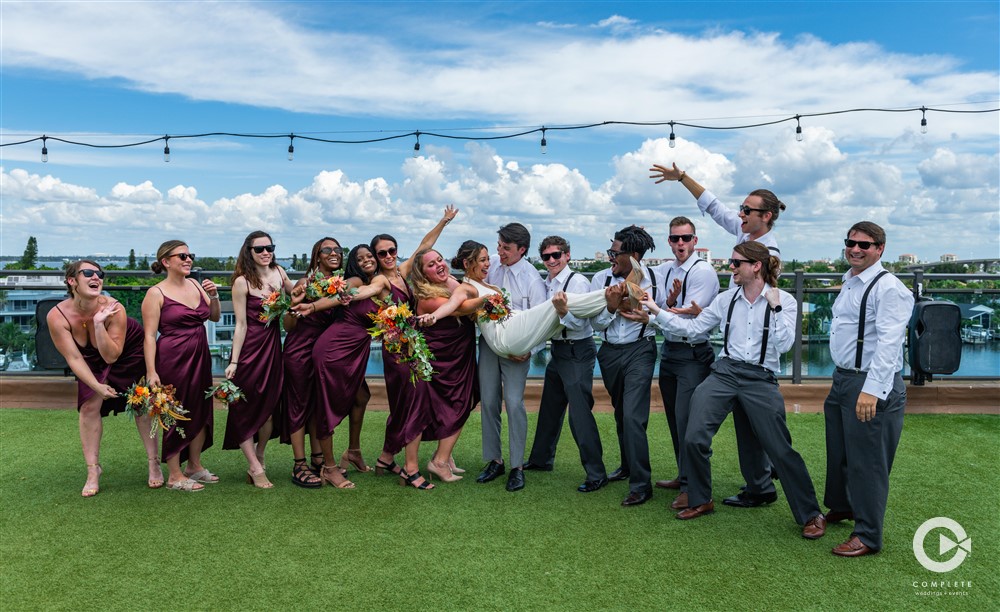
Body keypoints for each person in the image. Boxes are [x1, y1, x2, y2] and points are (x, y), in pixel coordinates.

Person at [638, 242, 827, 541]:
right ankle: (701, 499)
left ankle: (810, 514)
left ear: (756, 266)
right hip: (724, 372)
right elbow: (694, 328)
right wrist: (655, 311)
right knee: (694, 434)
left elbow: (784, 346)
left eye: (737, 263)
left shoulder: (784, 301)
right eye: (731, 262)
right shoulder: (726, 300)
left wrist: (775, 307)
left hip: (760, 377)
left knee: (779, 448)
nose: (731, 268)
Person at [649, 162, 785, 506]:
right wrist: (682, 179)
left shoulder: (767, 255)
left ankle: (765, 475)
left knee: (754, 427)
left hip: (752, 362)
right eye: (741, 209)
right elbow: (714, 206)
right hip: (732, 355)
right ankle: (759, 481)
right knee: (747, 426)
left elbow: (761, 308)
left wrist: (705, 314)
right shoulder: (746, 237)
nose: (739, 213)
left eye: (747, 210)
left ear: (766, 216)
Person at [823, 222, 913, 557]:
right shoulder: (851, 281)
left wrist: (871, 390)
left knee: (868, 462)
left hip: (868, 382)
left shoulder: (888, 288)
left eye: (865, 245)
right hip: (843, 378)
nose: (855, 249)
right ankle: (844, 506)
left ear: (880, 249)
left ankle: (868, 536)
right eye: (851, 242)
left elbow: (890, 344)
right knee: (841, 452)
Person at [47, 260, 161, 497]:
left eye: (100, 273)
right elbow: (74, 359)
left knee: (139, 402)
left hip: (126, 352)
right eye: (88, 273)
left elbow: (111, 356)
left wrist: (99, 324)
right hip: (88, 359)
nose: (96, 277)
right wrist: (96, 386)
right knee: (89, 406)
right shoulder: (56, 316)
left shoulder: (114, 308)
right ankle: (92, 470)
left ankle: (153, 462)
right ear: (72, 281)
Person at [370, 205, 460, 480]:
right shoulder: (380, 280)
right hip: (396, 350)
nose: (388, 256)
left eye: (392, 251)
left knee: (404, 404)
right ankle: (410, 468)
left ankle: (386, 458)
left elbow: (424, 245)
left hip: (411, 346)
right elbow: (367, 291)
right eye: (382, 253)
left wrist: (443, 221)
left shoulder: (401, 272)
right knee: (413, 400)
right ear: (375, 257)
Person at [523, 236, 608, 493]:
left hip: (577, 352)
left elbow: (583, 325)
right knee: (549, 407)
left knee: (579, 414)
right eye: (546, 257)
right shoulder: (546, 283)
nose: (551, 261)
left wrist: (563, 312)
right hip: (558, 351)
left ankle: (597, 473)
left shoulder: (578, 282)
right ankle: (541, 459)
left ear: (567, 255)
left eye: (556, 255)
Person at [647, 218, 719, 510]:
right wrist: (667, 305)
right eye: (675, 238)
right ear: (669, 241)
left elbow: (689, 321)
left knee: (689, 423)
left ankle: (694, 488)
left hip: (692, 354)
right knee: (675, 421)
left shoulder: (703, 272)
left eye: (685, 238)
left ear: (694, 240)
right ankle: (684, 475)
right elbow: (668, 309)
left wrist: (661, 310)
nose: (680, 243)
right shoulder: (668, 269)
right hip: (672, 353)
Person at [591, 225, 665, 507]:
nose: (610, 256)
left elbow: (664, 317)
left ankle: (641, 485)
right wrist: (610, 307)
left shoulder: (654, 279)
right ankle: (627, 466)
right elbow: (595, 324)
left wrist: (648, 316)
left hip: (640, 350)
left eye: (615, 252)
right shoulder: (601, 278)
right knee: (622, 412)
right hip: (609, 352)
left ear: (633, 255)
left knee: (634, 416)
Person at [300, 245, 384, 489]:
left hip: (355, 350)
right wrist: (312, 306)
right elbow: (338, 297)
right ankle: (329, 467)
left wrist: (443, 223)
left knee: (362, 397)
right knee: (327, 404)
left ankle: (354, 451)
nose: (367, 260)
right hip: (335, 349)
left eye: (370, 255)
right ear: (354, 264)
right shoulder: (356, 280)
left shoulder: (376, 282)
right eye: (360, 258)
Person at [142, 240, 221, 492]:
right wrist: (151, 371)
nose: (189, 260)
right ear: (166, 262)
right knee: (173, 412)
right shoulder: (155, 293)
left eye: (191, 255)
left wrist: (214, 296)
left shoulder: (196, 284)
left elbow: (215, 316)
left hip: (200, 354)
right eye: (182, 256)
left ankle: (194, 466)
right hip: (172, 357)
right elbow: (149, 336)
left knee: (200, 407)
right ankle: (174, 475)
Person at [475, 223, 546, 492]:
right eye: (499, 245)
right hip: (489, 344)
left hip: (518, 351)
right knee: (489, 400)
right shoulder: (491, 264)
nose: (499, 251)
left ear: (521, 250)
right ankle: (495, 460)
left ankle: (517, 466)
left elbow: (542, 321)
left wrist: (531, 350)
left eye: (506, 248)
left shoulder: (532, 279)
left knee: (514, 403)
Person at [223, 231, 294, 489]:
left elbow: (298, 294)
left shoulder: (279, 272)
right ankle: (254, 466)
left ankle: (260, 452)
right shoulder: (242, 282)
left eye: (270, 247)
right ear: (249, 252)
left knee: (269, 409)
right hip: (251, 349)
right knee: (244, 407)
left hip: (273, 347)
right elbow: (240, 325)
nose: (266, 252)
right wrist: (234, 361)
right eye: (259, 249)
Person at [406, 247, 483, 484]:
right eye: (431, 264)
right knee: (457, 404)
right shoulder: (428, 297)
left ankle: (444, 457)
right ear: (421, 274)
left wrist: (465, 288)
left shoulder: (451, 282)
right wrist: (490, 297)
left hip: (460, 356)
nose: (439, 265)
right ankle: (438, 461)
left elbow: (463, 293)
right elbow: (462, 307)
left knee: (464, 400)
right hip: (443, 362)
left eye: (440, 260)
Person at [281, 237, 343, 488]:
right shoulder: (306, 283)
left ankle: (319, 458)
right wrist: (295, 303)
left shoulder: (342, 285)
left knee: (319, 404)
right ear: (317, 256)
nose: (333, 253)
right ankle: (299, 464)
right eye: (326, 250)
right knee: (299, 406)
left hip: (325, 354)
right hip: (300, 351)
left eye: (337, 249)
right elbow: (288, 324)